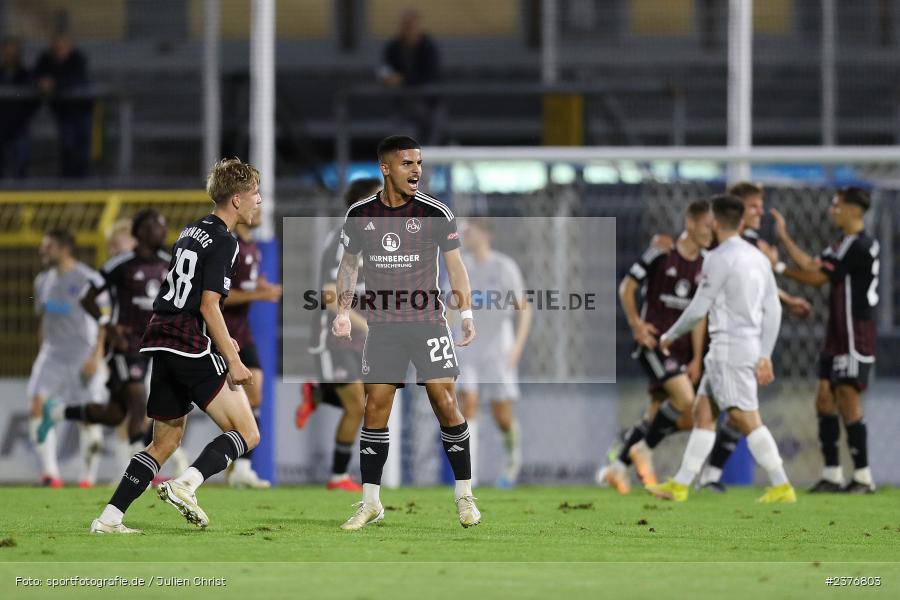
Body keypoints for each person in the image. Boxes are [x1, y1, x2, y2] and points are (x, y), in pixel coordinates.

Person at [90, 158, 261, 534]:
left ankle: (109, 518)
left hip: (162, 337)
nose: (259, 201)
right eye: (254, 194)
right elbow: (208, 304)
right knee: (248, 433)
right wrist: (232, 359)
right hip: (188, 342)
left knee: (164, 441)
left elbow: (189, 296)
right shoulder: (225, 240)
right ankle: (187, 483)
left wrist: (220, 335)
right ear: (236, 199)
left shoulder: (192, 230)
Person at [335, 136, 480, 530]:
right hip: (383, 327)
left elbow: (455, 267)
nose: (416, 170)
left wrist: (465, 312)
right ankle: (370, 503)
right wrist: (343, 311)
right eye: (406, 163)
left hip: (427, 322)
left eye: (419, 162)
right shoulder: (361, 213)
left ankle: (465, 496)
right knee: (374, 408)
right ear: (386, 168)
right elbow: (349, 266)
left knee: (444, 401)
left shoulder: (435, 212)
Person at [647, 195, 795, 504]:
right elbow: (774, 308)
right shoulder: (757, 257)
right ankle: (682, 484)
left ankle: (782, 485)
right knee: (704, 413)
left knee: (746, 419)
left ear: (715, 222)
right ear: (741, 222)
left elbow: (699, 307)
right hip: (741, 347)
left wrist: (669, 335)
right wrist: (765, 352)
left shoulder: (717, 258)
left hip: (729, 349)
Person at [696, 181, 812, 492]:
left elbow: (761, 292)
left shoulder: (746, 247)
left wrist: (785, 295)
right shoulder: (732, 247)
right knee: (724, 412)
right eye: (755, 206)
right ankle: (776, 482)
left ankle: (704, 478)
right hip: (722, 340)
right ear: (739, 210)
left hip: (734, 341)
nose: (762, 211)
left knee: (720, 412)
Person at [40, 211, 176, 468]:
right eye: (157, 226)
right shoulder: (119, 265)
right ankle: (143, 471)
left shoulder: (169, 264)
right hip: (124, 346)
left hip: (153, 345)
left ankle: (59, 411)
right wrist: (107, 325)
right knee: (139, 401)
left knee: (115, 414)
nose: (163, 230)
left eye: (164, 225)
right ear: (141, 233)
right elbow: (86, 297)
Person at [768, 187, 878, 494]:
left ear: (854, 210)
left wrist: (776, 267)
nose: (833, 210)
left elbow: (818, 278)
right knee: (824, 398)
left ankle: (864, 477)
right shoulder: (844, 244)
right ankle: (832, 474)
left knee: (847, 397)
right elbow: (812, 264)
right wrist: (785, 238)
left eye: (838, 205)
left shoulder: (860, 245)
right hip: (837, 332)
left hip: (855, 332)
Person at [599, 200, 712, 494]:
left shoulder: (707, 265)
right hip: (655, 345)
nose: (711, 232)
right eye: (706, 226)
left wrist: (698, 357)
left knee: (656, 415)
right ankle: (644, 450)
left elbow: (700, 316)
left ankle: (618, 466)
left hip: (683, 351)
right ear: (691, 224)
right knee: (687, 403)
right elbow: (627, 287)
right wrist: (637, 324)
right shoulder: (662, 252)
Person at [298, 178, 381, 491]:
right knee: (357, 406)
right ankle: (338, 477)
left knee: (368, 400)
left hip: (359, 336)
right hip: (334, 336)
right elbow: (330, 295)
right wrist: (366, 325)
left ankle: (317, 393)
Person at [456, 217, 532, 488]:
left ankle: (512, 458)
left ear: (485, 233)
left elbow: (524, 309)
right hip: (467, 348)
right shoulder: (459, 265)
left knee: (501, 415)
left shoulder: (503, 267)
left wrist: (516, 348)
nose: (466, 234)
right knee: (468, 405)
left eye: (471, 230)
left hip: (498, 350)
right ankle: (469, 475)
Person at [29, 229, 106, 488]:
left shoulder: (88, 279)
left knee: (87, 415)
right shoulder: (42, 281)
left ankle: (88, 477)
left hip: (82, 354)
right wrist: (42, 352)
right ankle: (51, 474)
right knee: (38, 404)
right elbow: (43, 320)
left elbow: (104, 321)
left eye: (48, 247)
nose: (43, 251)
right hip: (52, 353)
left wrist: (96, 356)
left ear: (64, 249)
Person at [222, 204, 282, 488]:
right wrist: (260, 293)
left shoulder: (252, 247)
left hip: (241, 331)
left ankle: (243, 467)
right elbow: (219, 297)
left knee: (255, 392)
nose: (260, 213)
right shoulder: (229, 245)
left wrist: (263, 286)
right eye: (256, 206)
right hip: (219, 331)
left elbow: (249, 280)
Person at [378, 11, 443, 145]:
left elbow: (429, 75)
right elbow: (384, 69)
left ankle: (427, 164)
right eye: (406, 26)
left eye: (412, 27)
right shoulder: (393, 48)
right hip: (403, 105)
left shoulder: (428, 47)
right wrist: (388, 78)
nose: (409, 31)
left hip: (429, 104)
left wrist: (403, 79)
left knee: (430, 145)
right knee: (404, 143)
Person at [34, 32, 90, 178]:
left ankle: (82, 179)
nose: (59, 50)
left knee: (82, 143)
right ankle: (67, 179)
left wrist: (54, 83)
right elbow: (35, 76)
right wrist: (42, 82)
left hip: (81, 110)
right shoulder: (46, 59)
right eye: (56, 47)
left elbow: (77, 80)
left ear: (69, 46)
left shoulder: (77, 59)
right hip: (63, 111)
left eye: (63, 46)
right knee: (68, 144)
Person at [0, 37, 35, 178]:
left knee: (21, 162)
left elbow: (32, 102)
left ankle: (20, 196)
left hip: (19, 126)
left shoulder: (25, 75)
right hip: (1, 126)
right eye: (7, 52)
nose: (10, 56)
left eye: (13, 53)